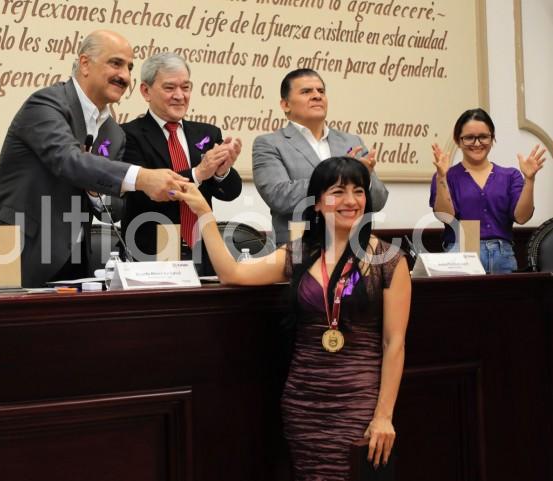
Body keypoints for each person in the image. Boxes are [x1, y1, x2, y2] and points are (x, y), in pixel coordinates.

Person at [171, 156, 410, 481]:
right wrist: (205, 214)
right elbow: (233, 273)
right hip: (303, 401)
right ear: (316, 203)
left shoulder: (388, 260)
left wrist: (384, 415)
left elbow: (394, 342)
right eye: (338, 192)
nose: (350, 201)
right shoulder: (298, 253)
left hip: (360, 402)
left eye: (358, 191)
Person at [0, 30, 187, 287]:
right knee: (3, 324)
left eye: (129, 67)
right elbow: (68, 160)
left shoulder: (114, 132)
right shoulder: (45, 104)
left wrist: (94, 193)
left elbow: (115, 207)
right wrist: (142, 176)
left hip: (74, 255)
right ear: (85, 64)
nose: (125, 75)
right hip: (14, 244)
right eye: (116, 63)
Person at [121, 52, 242, 273]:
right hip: (151, 253)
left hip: (203, 252)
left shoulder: (207, 133)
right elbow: (140, 193)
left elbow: (230, 193)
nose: (180, 95)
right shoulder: (128, 135)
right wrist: (198, 173)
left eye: (185, 87)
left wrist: (222, 172)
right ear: (146, 91)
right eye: (169, 88)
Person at [253, 68, 389, 245]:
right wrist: (341, 178)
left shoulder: (351, 141)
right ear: (285, 105)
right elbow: (279, 197)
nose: (317, 96)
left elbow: (378, 201)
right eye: (306, 91)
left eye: (321, 91)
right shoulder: (269, 143)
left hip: (352, 248)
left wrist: (365, 177)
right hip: (298, 250)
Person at [430, 108, 545, 274]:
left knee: (505, 300)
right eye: (469, 138)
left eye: (483, 136)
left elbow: (521, 217)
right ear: (458, 140)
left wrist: (530, 180)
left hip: (502, 254)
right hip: (462, 254)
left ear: (492, 139)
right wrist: (441, 176)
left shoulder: (510, 175)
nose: (477, 143)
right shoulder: (447, 175)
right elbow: (445, 216)